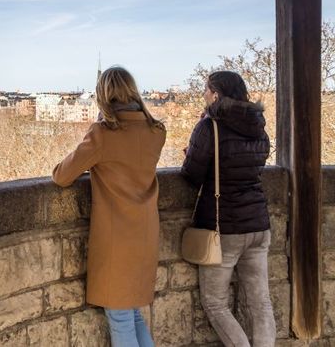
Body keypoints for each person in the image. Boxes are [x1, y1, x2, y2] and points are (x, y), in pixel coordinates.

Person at [53, 66, 166, 347]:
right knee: (132, 312)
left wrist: (97, 131)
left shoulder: (103, 134)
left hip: (117, 237)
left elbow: (62, 175)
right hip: (146, 231)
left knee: (120, 316)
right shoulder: (156, 131)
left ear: (103, 95)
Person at [181, 71, 274, 347]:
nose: (204, 95)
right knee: (260, 303)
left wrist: (191, 152)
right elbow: (254, 166)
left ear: (216, 94)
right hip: (258, 224)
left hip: (225, 227)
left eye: (206, 90)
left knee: (215, 303)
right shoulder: (258, 126)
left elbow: (192, 175)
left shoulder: (209, 127)